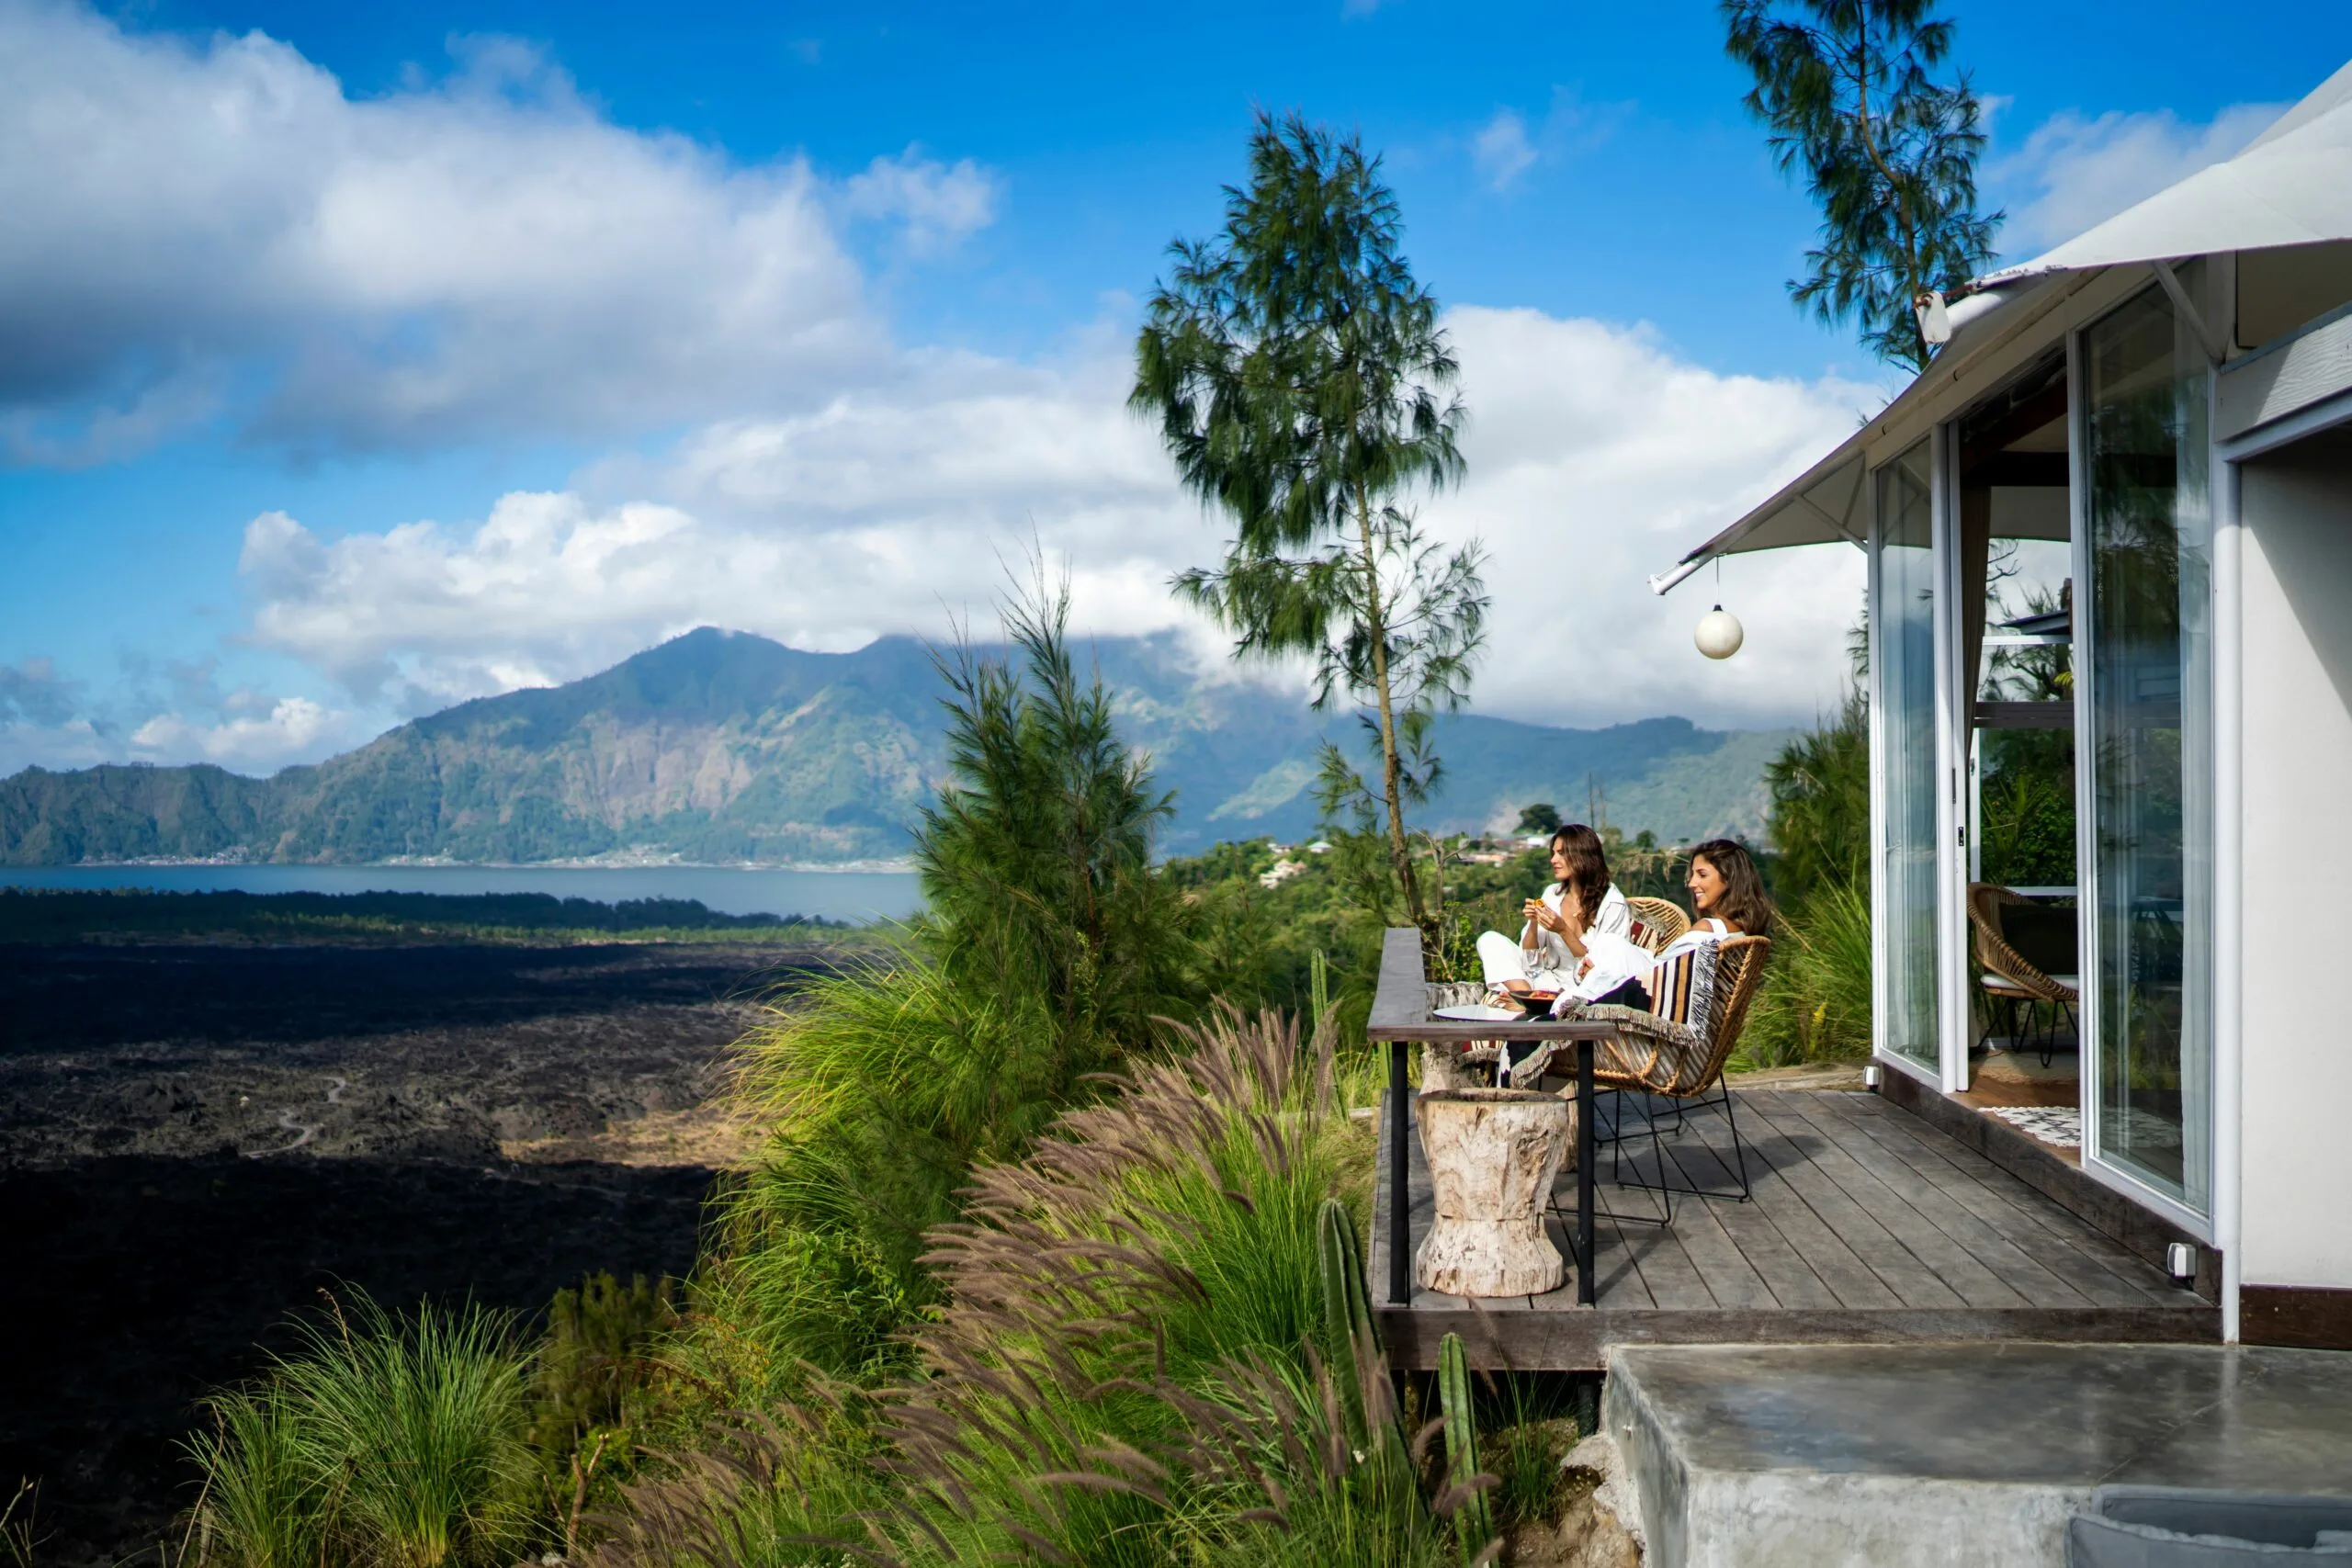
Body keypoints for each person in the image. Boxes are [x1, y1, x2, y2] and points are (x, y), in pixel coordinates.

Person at [1555, 838, 1774, 1012]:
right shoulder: (1738, 934)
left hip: (1652, 1014)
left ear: (1729, 879)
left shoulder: (1707, 930)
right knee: (1609, 946)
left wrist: (1604, 972)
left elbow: (1659, 982)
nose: (1691, 883)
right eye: (1692, 875)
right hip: (1665, 1007)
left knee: (1607, 947)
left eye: (1702, 875)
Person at [1476, 824, 1630, 996]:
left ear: (1583, 856)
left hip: (1589, 989)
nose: (1553, 860)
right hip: (1549, 981)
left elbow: (1605, 971)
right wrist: (1534, 922)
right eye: (1554, 853)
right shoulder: (1552, 893)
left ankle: (1530, 1005)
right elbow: (1530, 961)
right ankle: (1529, 1000)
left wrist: (1563, 930)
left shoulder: (1613, 904)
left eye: (1561, 853)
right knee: (1489, 940)